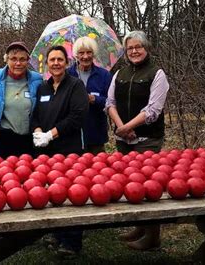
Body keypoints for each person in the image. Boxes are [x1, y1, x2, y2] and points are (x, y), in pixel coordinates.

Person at [106, 30, 169, 250]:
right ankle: (140, 227)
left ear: (146, 49)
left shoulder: (157, 74)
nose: (134, 51)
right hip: (124, 139)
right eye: (130, 48)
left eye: (138, 47)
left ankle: (153, 236)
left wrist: (127, 127)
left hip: (147, 139)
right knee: (131, 184)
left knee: (149, 185)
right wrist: (122, 128)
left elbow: (153, 109)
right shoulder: (120, 73)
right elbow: (110, 102)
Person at [31, 45, 89, 257]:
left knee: (71, 193)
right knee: (51, 192)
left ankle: (71, 241)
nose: (56, 63)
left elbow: (77, 117)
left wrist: (51, 134)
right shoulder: (43, 88)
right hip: (45, 152)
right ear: (47, 64)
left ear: (67, 63)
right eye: (52, 60)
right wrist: (38, 131)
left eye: (60, 59)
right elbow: (35, 115)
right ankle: (56, 232)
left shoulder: (75, 86)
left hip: (69, 151)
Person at [0, 41, 42, 159]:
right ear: (6, 60)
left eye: (22, 59)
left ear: (28, 61)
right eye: (13, 59)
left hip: (27, 139)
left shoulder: (37, 80)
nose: (18, 63)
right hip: (0, 139)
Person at [68, 36, 113, 154]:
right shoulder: (67, 74)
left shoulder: (104, 75)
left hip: (96, 133)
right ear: (75, 55)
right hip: (72, 134)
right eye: (81, 53)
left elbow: (111, 101)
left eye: (89, 52)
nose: (85, 56)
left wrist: (95, 99)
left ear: (94, 54)